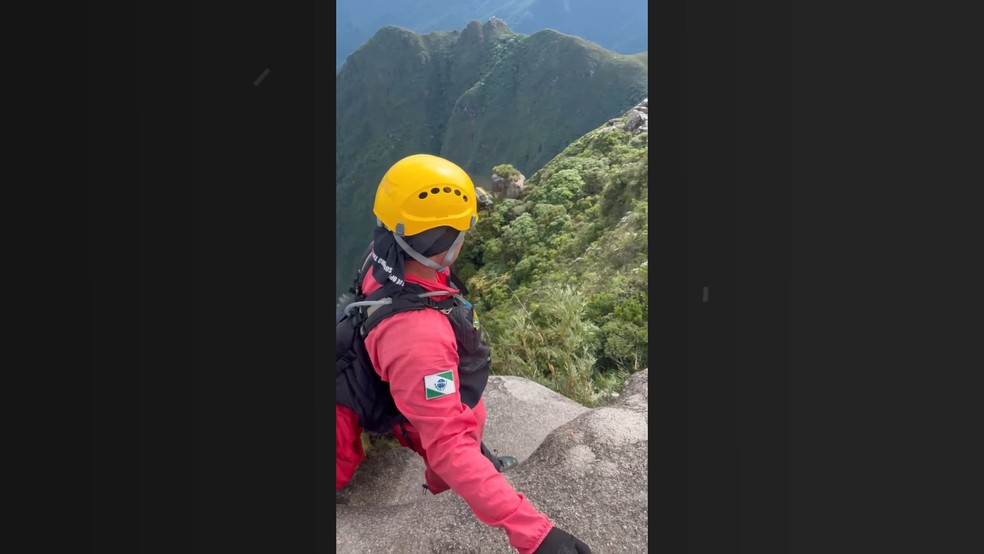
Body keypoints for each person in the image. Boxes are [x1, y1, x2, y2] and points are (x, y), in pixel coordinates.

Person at [335, 154, 591, 553]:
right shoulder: (419, 338)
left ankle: (449, 482)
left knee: (459, 419)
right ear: (442, 243)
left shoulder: (387, 251)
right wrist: (535, 534)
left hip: (365, 366)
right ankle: (443, 487)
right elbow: (448, 443)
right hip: (345, 412)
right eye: (460, 231)